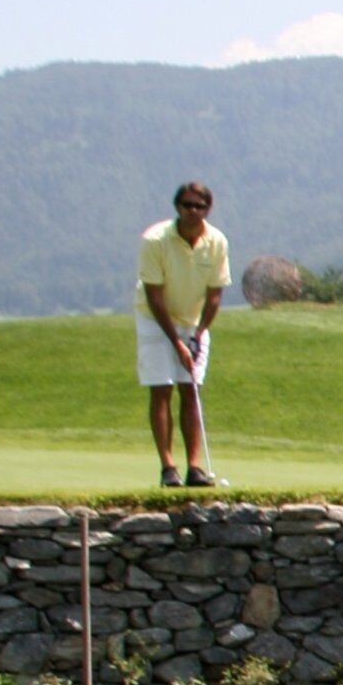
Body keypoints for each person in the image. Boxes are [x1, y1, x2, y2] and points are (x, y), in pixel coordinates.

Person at [137, 182, 230, 488]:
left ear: (208, 209)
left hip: (193, 320)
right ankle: (168, 467)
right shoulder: (155, 239)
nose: (193, 211)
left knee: (191, 388)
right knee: (161, 388)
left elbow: (215, 295)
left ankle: (195, 467)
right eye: (187, 205)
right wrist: (176, 342)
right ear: (177, 207)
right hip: (155, 318)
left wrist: (199, 333)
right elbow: (154, 295)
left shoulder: (216, 241)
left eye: (199, 206)